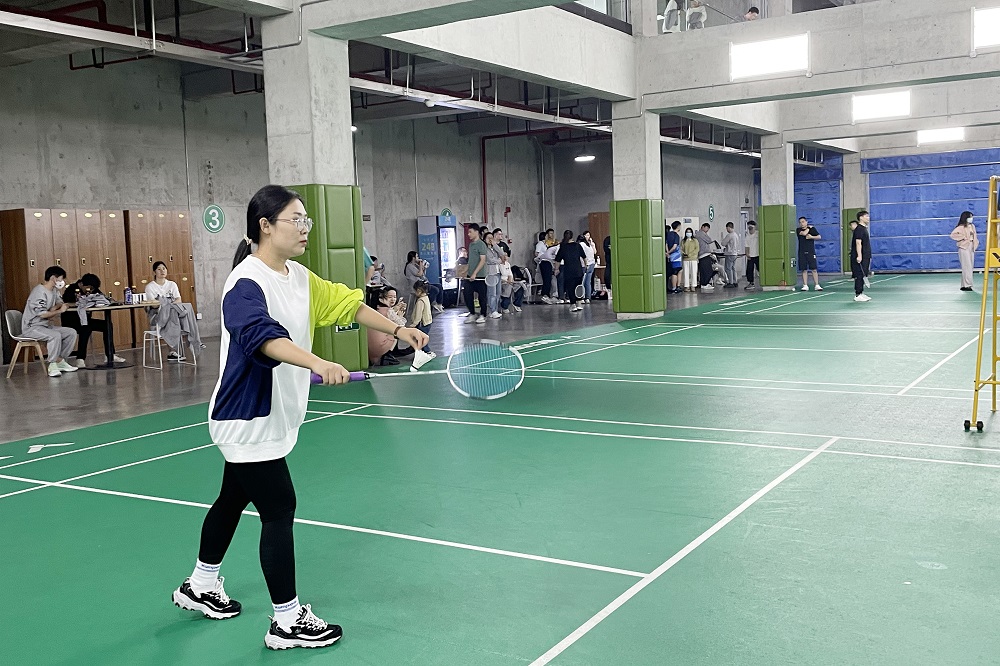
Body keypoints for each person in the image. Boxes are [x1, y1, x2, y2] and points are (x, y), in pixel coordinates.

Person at [172, 184, 427, 651]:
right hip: (249, 416)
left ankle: (200, 585)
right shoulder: (245, 282)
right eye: (297, 220)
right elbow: (262, 336)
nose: (306, 228)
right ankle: (286, 620)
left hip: (275, 414)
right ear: (265, 226)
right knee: (279, 507)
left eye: (307, 220)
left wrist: (399, 328)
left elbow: (347, 303)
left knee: (232, 498)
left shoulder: (299, 277)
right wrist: (318, 362)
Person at [20, 266, 79, 378]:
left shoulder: (54, 290)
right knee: (55, 335)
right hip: (32, 327)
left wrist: (55, 307)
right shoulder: (38, 292)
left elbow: (60, 302)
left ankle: (60, 361)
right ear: (53, 278)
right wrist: (59, 311)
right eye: (61, 278)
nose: (62, 281)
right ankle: (52, 364)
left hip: (45, 326)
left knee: (71, 333)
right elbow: (42, 314)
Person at [146, 261, 205, 361]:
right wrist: (167, 304)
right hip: (158, 316)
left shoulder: (172, 284)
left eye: (164, 269)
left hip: (174, 313)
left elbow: (178, 300)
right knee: (172, 311)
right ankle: (187, 343)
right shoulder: (150, 287)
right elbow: (153, 305)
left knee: (187, 307)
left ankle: (189, 343)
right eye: (159, 269)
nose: (162, 271)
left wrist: (168, 304)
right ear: (154, 272)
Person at [73, 273, 127, 366]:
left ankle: (110, 354)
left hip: (86, 319)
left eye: (92, 289)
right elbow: (67, 303)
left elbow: (102, 297)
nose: (91, 291)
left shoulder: (93, 289)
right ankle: (80, 358)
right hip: (72, 320)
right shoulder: (72, 289)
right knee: (85, 328)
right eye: (89, 288)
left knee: (107, 325)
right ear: (81, 284)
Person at [368, 286, 408, 366]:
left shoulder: (375, 309)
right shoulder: (388, 311)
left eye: (394, 297)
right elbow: (400, 325)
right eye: (389, 297)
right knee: (396, 332)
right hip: (380, 345)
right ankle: (388, 354)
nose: (393, 299)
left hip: (369, 346)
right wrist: (400, 315)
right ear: (381, 299)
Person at [555, 230, 586, 312]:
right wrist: (586, 266)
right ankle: (579, 303)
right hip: (578, 269)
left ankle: (573, 304)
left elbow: (558, 260)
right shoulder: (578, 245)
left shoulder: (563, 247)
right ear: (572, 236)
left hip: (569, 270)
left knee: (571, 287)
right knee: (578, 286)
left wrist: (556, 269)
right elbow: (584, 257)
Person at [463, 224, 488, 324]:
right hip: (469, 275)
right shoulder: (471, 245)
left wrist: (475, 273)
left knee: (482, 296)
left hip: (480, 276)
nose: (468, 234)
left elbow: (482, 260)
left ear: (476, 232)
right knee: (467, 293)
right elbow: (470, 261)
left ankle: (483, 315)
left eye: (470, 232)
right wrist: (466, 272)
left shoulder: (481, 245)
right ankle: (472, 313)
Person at [950, 211, 979, 292]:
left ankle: (964, 284)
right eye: (970, 217)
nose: (971, 218)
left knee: (970, 265)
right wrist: (963, 237)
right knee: (966, 266)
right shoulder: (961, 227)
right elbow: (953, 235)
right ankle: (967, 285)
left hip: (971, 246)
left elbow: (974, 236)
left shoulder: (972, 226)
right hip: (964, 247)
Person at [408, 280, 435, 357]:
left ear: (419, 290)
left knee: (421, 339)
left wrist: (414, 324)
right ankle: (420, 351)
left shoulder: (420, 301)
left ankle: (427, 352)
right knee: (422, 337)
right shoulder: (426, 298)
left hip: (422, 324)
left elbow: (418, 314)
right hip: (428, 322)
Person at [851, 210, 872, 302]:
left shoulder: (864, 228)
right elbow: (858, 243)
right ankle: (858, 294)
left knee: (864, 274)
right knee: (859, 275)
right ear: (861, 218)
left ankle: (861, 293)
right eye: (866, 216)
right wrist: (859, 256)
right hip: (861, 256)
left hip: (866, 255)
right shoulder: (859, 229)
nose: (868, 218)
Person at [796, 217, 823, 291]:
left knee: (814, 269)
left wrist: (811, 237)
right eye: (800, 222)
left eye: (803, 222)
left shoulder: (812, 229)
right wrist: (808, 228)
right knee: (804, 269)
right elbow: (804, 233)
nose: (802, 223)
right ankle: (805, 285)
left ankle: (817, 285)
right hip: (802, 252)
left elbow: (819, 237)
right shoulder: (798, 230)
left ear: (806, 222)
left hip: (811, 251)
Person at [484, 231, 503, 318]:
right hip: (490, 273)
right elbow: (490, 260)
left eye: (492, 238)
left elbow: (502, 254)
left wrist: (495, 245)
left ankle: (495, 309)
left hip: (498, 272)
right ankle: (492, 310)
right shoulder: (485, 249)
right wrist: (499, 260)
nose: (490, 240)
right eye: (488, 238)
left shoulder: (494, 249)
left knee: (498, 292)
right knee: (492, 293)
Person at [535, 231, 556, 303]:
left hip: (548, 261)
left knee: (549, 279)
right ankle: (545, 294)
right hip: (544, 261)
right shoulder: (540, 244)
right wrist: (542, 256)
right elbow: (536, 253)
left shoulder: (546, 244)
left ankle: (547, 294)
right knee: (546, 279)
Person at [695, 223, 717, 290]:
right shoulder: (701, 234)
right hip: (703, 254)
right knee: (707, 271)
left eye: (708, 229)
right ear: (702, 227)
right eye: (706, 228)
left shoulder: (700, 234)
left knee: (704, 270)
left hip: (704, 254)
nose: (707, 230)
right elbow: (709, 240)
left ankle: (704, 283)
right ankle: (704, 284)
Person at [720, 222, 742, 288]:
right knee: (733, 268)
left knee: (728, 268)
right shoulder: (736, 235)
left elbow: (723, 243)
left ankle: (730, 282)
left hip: (729, 254)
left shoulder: (729, 235)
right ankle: (735, 281)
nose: (726, 230)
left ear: (729, 227)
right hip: (735, 253)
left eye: (727, 228)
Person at [665, 222, 682, 295]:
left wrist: (667, 252)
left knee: (676, 270)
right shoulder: (676, 235)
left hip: (670, 256)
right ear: (678, 226)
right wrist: (670, 252)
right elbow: (675, 246)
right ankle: (675, 287)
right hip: (676, 256)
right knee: (676, 272)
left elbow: (666, 244)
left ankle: (676, 287)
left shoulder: (669, 234)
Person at [681, 228, 700, 292]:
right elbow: (681, 248)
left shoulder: (695, 240)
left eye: (689, 232)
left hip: (693, 259)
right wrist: (683, 253)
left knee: (693, 272)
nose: (688, 233)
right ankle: (686, 286)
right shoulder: (683, 241)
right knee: (686, 273)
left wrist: (690, 254)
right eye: (687, 232)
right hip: (685, 259)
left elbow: (697, 249)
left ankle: (693, 286)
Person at [745, 220, 759, 290]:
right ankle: (751, 283)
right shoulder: (747, 236)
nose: (750, 230)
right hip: (751, 255)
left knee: (760, 269)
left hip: (758, 255)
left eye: (751, 228)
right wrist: (747, 253)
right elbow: (746, 246)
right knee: (749, 270)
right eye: (749, 228)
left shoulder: (758, 234)